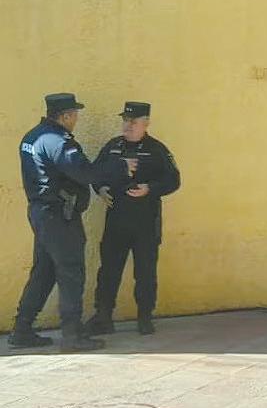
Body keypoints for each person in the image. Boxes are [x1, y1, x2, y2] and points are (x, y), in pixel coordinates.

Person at [10, 93, 135, 352]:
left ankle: (22, 329)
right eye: (75, 114)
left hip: (41, 213)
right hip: (60, 217)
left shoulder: (32, 136)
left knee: (44, 272)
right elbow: (85, 173)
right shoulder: (59, 142)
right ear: (65, 116)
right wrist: (120, 167)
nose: (76, 118)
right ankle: (72, 336)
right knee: (71, 273)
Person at [84, 102, 180, 336]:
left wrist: (150, 188)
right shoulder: (113, 147)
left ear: (145, 123)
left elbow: (174, 180)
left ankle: (145, 317)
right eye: (125, 121)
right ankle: (103, 316)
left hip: (145, 221)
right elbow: (96, 173)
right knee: (109, 270)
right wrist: (101, 189)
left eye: (133, 122)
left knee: (145, 272)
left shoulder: (156, 150)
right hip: (117, 219)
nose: (127, 126)